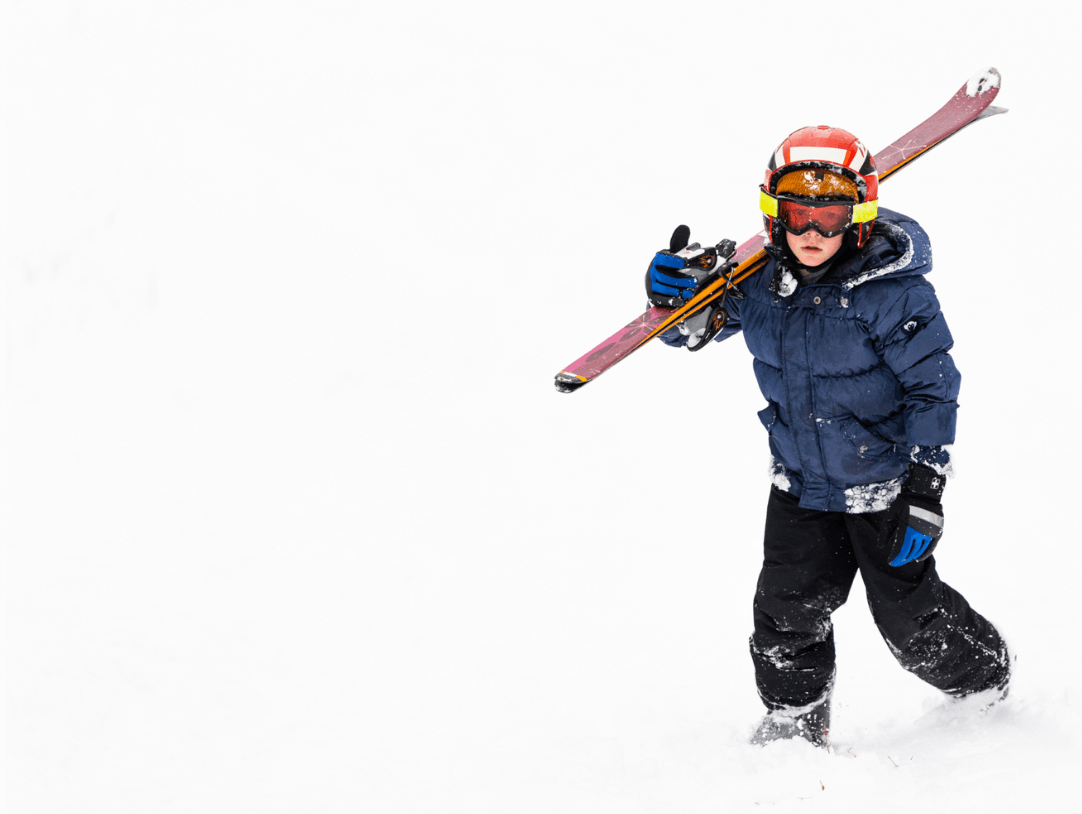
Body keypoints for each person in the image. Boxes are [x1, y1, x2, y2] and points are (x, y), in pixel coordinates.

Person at [645, 125, 1011, 748]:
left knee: (909, 620)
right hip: (801, 484)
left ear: (859, 219)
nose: (812, 232)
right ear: (775, 214)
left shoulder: (894, 293)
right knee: (785, 613)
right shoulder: (758, 282)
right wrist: (672, 298)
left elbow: (934, 389)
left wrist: (925, 490)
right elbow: (694, 329)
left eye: (831, 217)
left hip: (884, 487)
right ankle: (795, 717)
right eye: (797, 215)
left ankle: (983, 680)